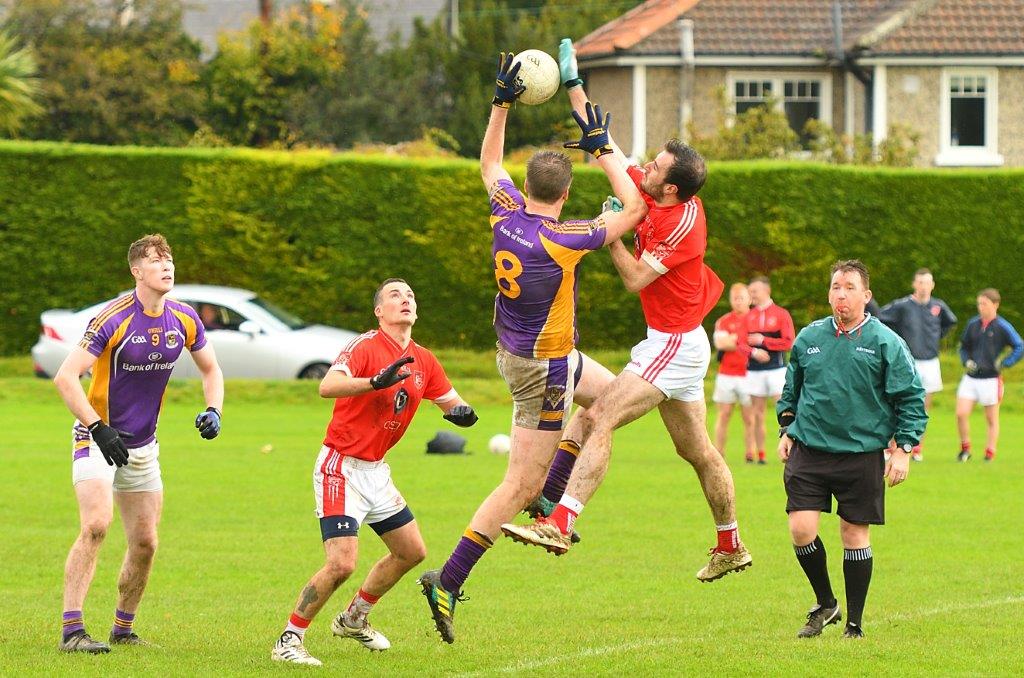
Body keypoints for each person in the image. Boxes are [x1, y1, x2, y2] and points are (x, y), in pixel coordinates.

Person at [416, 50, 646, 645]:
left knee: (608, 399)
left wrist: (500, 103)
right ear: (565, 195)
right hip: (543, 368)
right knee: (516, 483)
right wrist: (601, 145)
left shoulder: (507, 213)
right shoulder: (565, 237)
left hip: (538, 356)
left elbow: (489, 161)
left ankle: (551, 500)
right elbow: (637, 208)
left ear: (527, 186)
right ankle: (449, 577)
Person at [500, 38, 750, 585]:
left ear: (672, 185)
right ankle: (730, 544)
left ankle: (560, 521)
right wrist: (572, 84)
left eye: (655, 166)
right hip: (674, 342)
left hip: (674, 344)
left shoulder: (683, 223)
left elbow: (636, 278)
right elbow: (603, 143)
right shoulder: (651, 191)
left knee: (597, 415)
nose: (645, 167)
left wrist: (609, 234)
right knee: (698, 451)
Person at [271, 278, 478, 665]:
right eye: (395, 295)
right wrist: (373, 382)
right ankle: (289, 640)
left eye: (411, 295)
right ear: (379, 311)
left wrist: (462, 415)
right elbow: (327, 386)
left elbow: (452, 403)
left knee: (411, 551)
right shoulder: (365, 345)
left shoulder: (424, 359)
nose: (406, 300)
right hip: (340, 468)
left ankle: (353, 618)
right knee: (342, 563)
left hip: (376, 472)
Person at [53, 234, 224, 653]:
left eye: (169, 260)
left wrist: (214, 409)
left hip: (143, 446)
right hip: (96, 438)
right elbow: (65, 377)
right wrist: (97, 427)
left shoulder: (184, 318)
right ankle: (72, 631)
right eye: (155, 261)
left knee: (146, 543)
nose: (167, 267)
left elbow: (211, 369)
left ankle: (123, 629)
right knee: (96, 525)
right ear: (136, 271)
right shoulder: (113, 318)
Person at [777, 259, 926, 639]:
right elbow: (791, 391)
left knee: (853, 534)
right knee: (801, 529)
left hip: (861, 454)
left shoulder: (885, 342)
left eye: (848, 287)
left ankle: (855, 625)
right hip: (809, 451)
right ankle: (827, 603)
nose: (840, 294)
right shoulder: (809, 339)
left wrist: (903, 449)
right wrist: (787, 429)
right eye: (835, 287)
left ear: (866, 295)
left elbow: (911, 398)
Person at [877, 268, 957, 460]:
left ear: (933, 285)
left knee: (923, 406)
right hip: (908, 361)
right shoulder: (902, 306)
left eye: (927, 282)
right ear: (914, 284)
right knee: (897, 402)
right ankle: (892, 445)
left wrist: (936, 337)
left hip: (931, 362)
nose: (923, 286)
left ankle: (917, 447)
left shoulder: (938, 306)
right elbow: (880, 318)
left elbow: (950, 322)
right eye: (920, 282)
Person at [955, 288, 1022, 463]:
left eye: (984, 303)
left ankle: (989, 453)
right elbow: (963, 346)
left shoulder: (1003, 326)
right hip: (971, 377)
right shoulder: (973, 324)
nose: (980, 307)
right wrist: (966, 361)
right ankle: (965, 449)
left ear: (995, 305)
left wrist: (1005, 363)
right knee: (961, 413)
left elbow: (1019, 346)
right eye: (979, 303)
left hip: (991, 379)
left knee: (991, 418)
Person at [745, 276, 795, 464]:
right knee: (756, 413)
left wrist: (764, 341)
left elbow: (789, 342)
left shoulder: (781, 314)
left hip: (776, 370)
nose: (752, 295)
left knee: (784, 408)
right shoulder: (748, 315)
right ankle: (761, 455)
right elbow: (741, 342)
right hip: (754, 371)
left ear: (766, 291)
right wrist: (754, 351)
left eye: (754, 291)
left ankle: (789, 446)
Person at [712, 283, 756, 459]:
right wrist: (742, 339)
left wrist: (734, 339)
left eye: (741, 298)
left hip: (749, 374)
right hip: (726, 375)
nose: (738, 301)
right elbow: (721, 344)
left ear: (749, 299)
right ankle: (718, 452)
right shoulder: (723, 321)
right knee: (723, 415)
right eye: (734, 298)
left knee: (749, 417)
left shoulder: (756, 319)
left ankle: (751, 452)